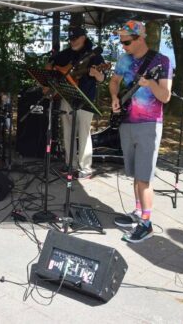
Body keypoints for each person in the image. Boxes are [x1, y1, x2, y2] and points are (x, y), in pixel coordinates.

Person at [109, 20, 172, 243]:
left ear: (140, 39)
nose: (122, 45)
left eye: (126, 41)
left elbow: (165, 96)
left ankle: (147, 223)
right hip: (127, 121)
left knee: (144, 177)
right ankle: (138, 212)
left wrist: (149, 85)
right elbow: (114, 81)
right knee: (135, 173)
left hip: (149, 124)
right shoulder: (124, 60)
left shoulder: (161, 61)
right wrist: (115, 97)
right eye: (121, 41)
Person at [49, 26, 106, 179]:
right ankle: (70, 164)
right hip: (66, 96)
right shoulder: (65, 54)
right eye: (70, 39)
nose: (72, 41)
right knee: (67, 132)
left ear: (83, 38)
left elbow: (102, 78)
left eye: (75, 39)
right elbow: (50, 64)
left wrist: (96, 73)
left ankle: (85, 168)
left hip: (85, 99)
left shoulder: (94, 56)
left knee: (83, 133)